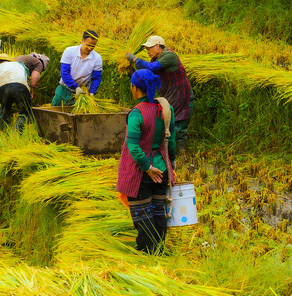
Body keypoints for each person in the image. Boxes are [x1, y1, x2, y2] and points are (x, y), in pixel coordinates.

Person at [116, 69, 176, 254]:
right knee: (159, 213)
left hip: (142, 174)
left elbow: (133, 146)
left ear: (134, 88)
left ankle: (148, 256)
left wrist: (147, 168)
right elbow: (171, 141)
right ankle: (159, 251)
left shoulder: (137, 113)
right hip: (162, 168)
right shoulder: (166, 109)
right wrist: (170, 166)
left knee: (143, 217)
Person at [125, 35, 193, 154]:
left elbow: (152, 67)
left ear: (157, 46)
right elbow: (145, 77)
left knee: (180, 127)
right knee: (167, 125)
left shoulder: (169, 56)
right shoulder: (155, 60)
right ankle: (168, 153)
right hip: (168, 96)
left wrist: (135, 59)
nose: (147, 51)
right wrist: (131, 72)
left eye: (148, 48)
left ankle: (182, 156)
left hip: (182, 96)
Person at [0, 53, 40, 132]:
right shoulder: (18, 65)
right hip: (20, 86)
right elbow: (26, 80)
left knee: (4, 112)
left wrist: (4, 102)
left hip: (2, 88)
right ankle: (15, 134)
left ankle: (5, 134)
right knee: (24, 112)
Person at [51, 30, 103, 106]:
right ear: (82, 40)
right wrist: (75, 87)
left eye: (93, 46)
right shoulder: (69, 51)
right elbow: (64, 72)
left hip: (82, 93)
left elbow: (96, 78)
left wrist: (92, 92)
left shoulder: (97, 58)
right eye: (88, 45)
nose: (90, 48)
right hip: (64, 89)